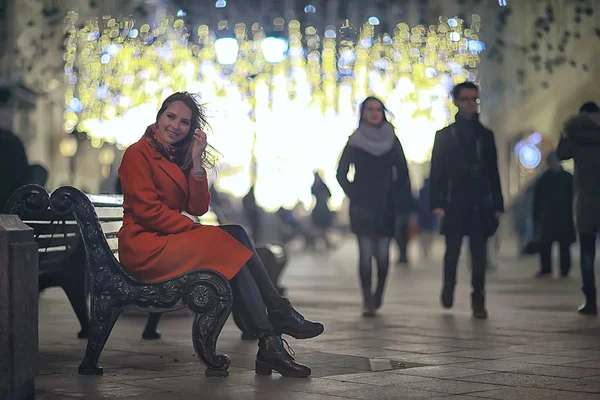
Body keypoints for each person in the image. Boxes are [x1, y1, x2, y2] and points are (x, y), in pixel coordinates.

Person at [118, 92, 324, 377]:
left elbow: (198, 207)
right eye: (171, 117)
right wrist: (193, 230)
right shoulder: (137, 153)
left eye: (185, 122)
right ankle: (276, 324)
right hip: (145, 246)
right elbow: (147, 212)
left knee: (235, 234)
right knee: (226, 242)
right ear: (159, 116)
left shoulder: (178, 156)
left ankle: (271, 334)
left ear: (192, 129)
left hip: (168, 240)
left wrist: (197, 162)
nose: (176, 125)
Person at [429, 82, 504, 319]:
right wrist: (437, 203)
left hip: (480, 203)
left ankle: (478, 300)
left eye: (474, 99)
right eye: (466, 99)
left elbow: (494, 172)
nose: (471, 103)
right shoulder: (444, 135)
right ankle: (449, 285)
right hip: (454, 203)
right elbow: (437, 172)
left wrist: (498, 204)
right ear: (457, 102)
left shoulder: (486, 135)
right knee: (452, 251)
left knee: (480, 255)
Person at [336, 96, 412, 317]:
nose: (374, 113)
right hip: (362, 208)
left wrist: (394, 195)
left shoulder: (392, 139)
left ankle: (379, 293)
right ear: (363, 112)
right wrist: (354, 193)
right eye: (369, 109)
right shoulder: (355, 139)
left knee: (383, 255)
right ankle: (367, 299)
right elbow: (341, 173)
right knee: (365, 254)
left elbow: (403, 173)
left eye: (378, 109)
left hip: (386, 207)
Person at [556, 101, 600, 315]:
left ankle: (590, 301)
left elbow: (560, 154)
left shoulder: (576, 135)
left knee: (587, 253)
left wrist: (565, 132)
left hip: (586, 202)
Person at [532, 152, 575, 278]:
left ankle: (564, 270)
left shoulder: (567, 178)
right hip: (549, 217)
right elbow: (537, 201)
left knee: (564, 245)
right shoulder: (544, 179)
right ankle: (547, 269)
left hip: (563, 217)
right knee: (546, 245)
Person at [310, 171, 334, 249]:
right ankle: (318, 245)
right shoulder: (314, 185)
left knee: (323, 230)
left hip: (323, 209)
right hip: (318, 209)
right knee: (317, 230)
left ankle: (327, 244)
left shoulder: (323, 185)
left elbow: (329, 195)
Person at [416, 178, 436, 259]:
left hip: (423, 214)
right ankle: (427, 247)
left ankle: (424, 247)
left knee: (423, 232)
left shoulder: (422, 191)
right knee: (429, 232)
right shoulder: (432, 191)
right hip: (430, 214)